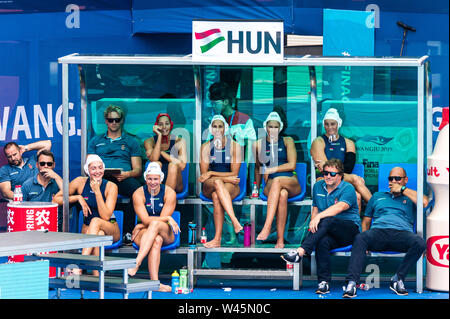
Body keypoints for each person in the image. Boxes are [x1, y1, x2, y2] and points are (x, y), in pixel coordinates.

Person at [342, 166, 428, 298]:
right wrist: (363, 243)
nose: (393, 181)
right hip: (379, 232)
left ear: (405, 180)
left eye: (397, 178)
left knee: (420, 243)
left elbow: (424, 202)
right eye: (391, 178)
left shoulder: (411, 196)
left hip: (402, 234)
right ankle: (352, 283)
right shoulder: (377, 196)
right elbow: (366, 221)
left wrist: (403, 190)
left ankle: (398, 278)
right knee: (360, 238)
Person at [281, 159, 361, 294]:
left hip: (349, 230)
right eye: (325, 173)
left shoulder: (348, 188)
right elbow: (315, 210)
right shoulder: (318, 186)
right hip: (328, 230)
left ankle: (301, 252)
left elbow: (339, 207)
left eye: (332, 174)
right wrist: (313, 227)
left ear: (340, 175)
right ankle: (324, 283)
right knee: (322, 241)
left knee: (328, 219)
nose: (328, 176)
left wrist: (318, 218)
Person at [53, 155, 120, 275]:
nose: (97, 171)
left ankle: (80, 265)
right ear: (87, 170)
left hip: (111, 228)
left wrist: (97, 191)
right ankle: (97, 277)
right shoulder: (80, 182)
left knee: (96, 221)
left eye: (100, 168)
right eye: (93, 168)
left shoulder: (111, 186)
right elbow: (56, 199)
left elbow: (105, 216)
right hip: (89, 229)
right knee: (98, 234)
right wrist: (78, 197)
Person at [86, 104, 143, 242]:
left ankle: (128, 232)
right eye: (110, 120)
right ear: (106, 120)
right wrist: (97, 173)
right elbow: (89, 164)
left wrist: (127, 174)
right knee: (82, 191)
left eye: (117, 120)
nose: (114, 123)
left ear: (122, 120)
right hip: (100, 177)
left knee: (138, 191)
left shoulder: (132, 141)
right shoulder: (96, 141)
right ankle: (86, 228)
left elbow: (138, 169)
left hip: (123, 178)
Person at [127, 163, 179, 292]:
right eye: (150, 179)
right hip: (146, 232)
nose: (153, 182)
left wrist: (142, 224)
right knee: (156, 240)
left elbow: (155, 222)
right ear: (145, 179)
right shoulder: (138, 193)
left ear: (161, 179)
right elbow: (145, 219)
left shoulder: (169, 193)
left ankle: (137, 262)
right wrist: (167, 218)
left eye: (156, 179)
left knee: (156, 224)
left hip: (165, 231)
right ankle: (155, 283)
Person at [252, 111, 301, 248]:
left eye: (275, 127)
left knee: (279, 181)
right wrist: (256, 187)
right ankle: (280, 240)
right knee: (282, 195)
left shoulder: (287, 141)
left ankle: (267, 226)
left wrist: (271, 169)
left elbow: (292, 165)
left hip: (290, 180)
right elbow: (257, 168)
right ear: (265, 127)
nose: (273, 130)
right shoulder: (257, 145)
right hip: (270, 184)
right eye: (270, 126)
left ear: (280, 128)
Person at [310, 108, 372, 209]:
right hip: (324, 179)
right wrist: (348, 176)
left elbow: (348, 168)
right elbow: (325, 170)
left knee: (357, 196)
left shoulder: (349, 143)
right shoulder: (318, 142)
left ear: (338, 124)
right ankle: (380, 208)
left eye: (333, 124)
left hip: (342, 180)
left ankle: (374, 210)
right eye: (326, 124)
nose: (329, 127)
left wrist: (328, 166)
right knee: (356, 179)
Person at [199, 115, 243, 248]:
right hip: (210, 184)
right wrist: (223, 178)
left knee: (216, 196)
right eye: (214, 126)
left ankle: (217, 239)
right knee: (217, 184)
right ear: (211, 129)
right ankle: (234, 220)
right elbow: (203, 175)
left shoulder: (235, 146)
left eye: (220, 126)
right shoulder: (205, 147)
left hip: (229, 184)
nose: (217, 129)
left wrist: (212, 172)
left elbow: (234, 174)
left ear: (225, 129)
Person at [144, 112, 187, 193]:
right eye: (160, 124)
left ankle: (164, 197)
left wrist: (162, 152)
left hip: (176, 182)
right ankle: (163, 198)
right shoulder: (149, 141)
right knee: (156, 163)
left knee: (173, 165)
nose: (164, 127)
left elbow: (182, 165)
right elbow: (153, 159)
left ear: (171, 125)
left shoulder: (179, 141)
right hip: (156, 183)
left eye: (167, 124)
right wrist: (159, 136)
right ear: (156, 126)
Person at [208, 81, 256, 151]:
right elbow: (207, 144)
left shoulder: (244, 120)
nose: (213, 106)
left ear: (226, 102)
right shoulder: (213, 120)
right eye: (212, 103)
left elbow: (251, 145)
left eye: (215, 103)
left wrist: (245, 162)